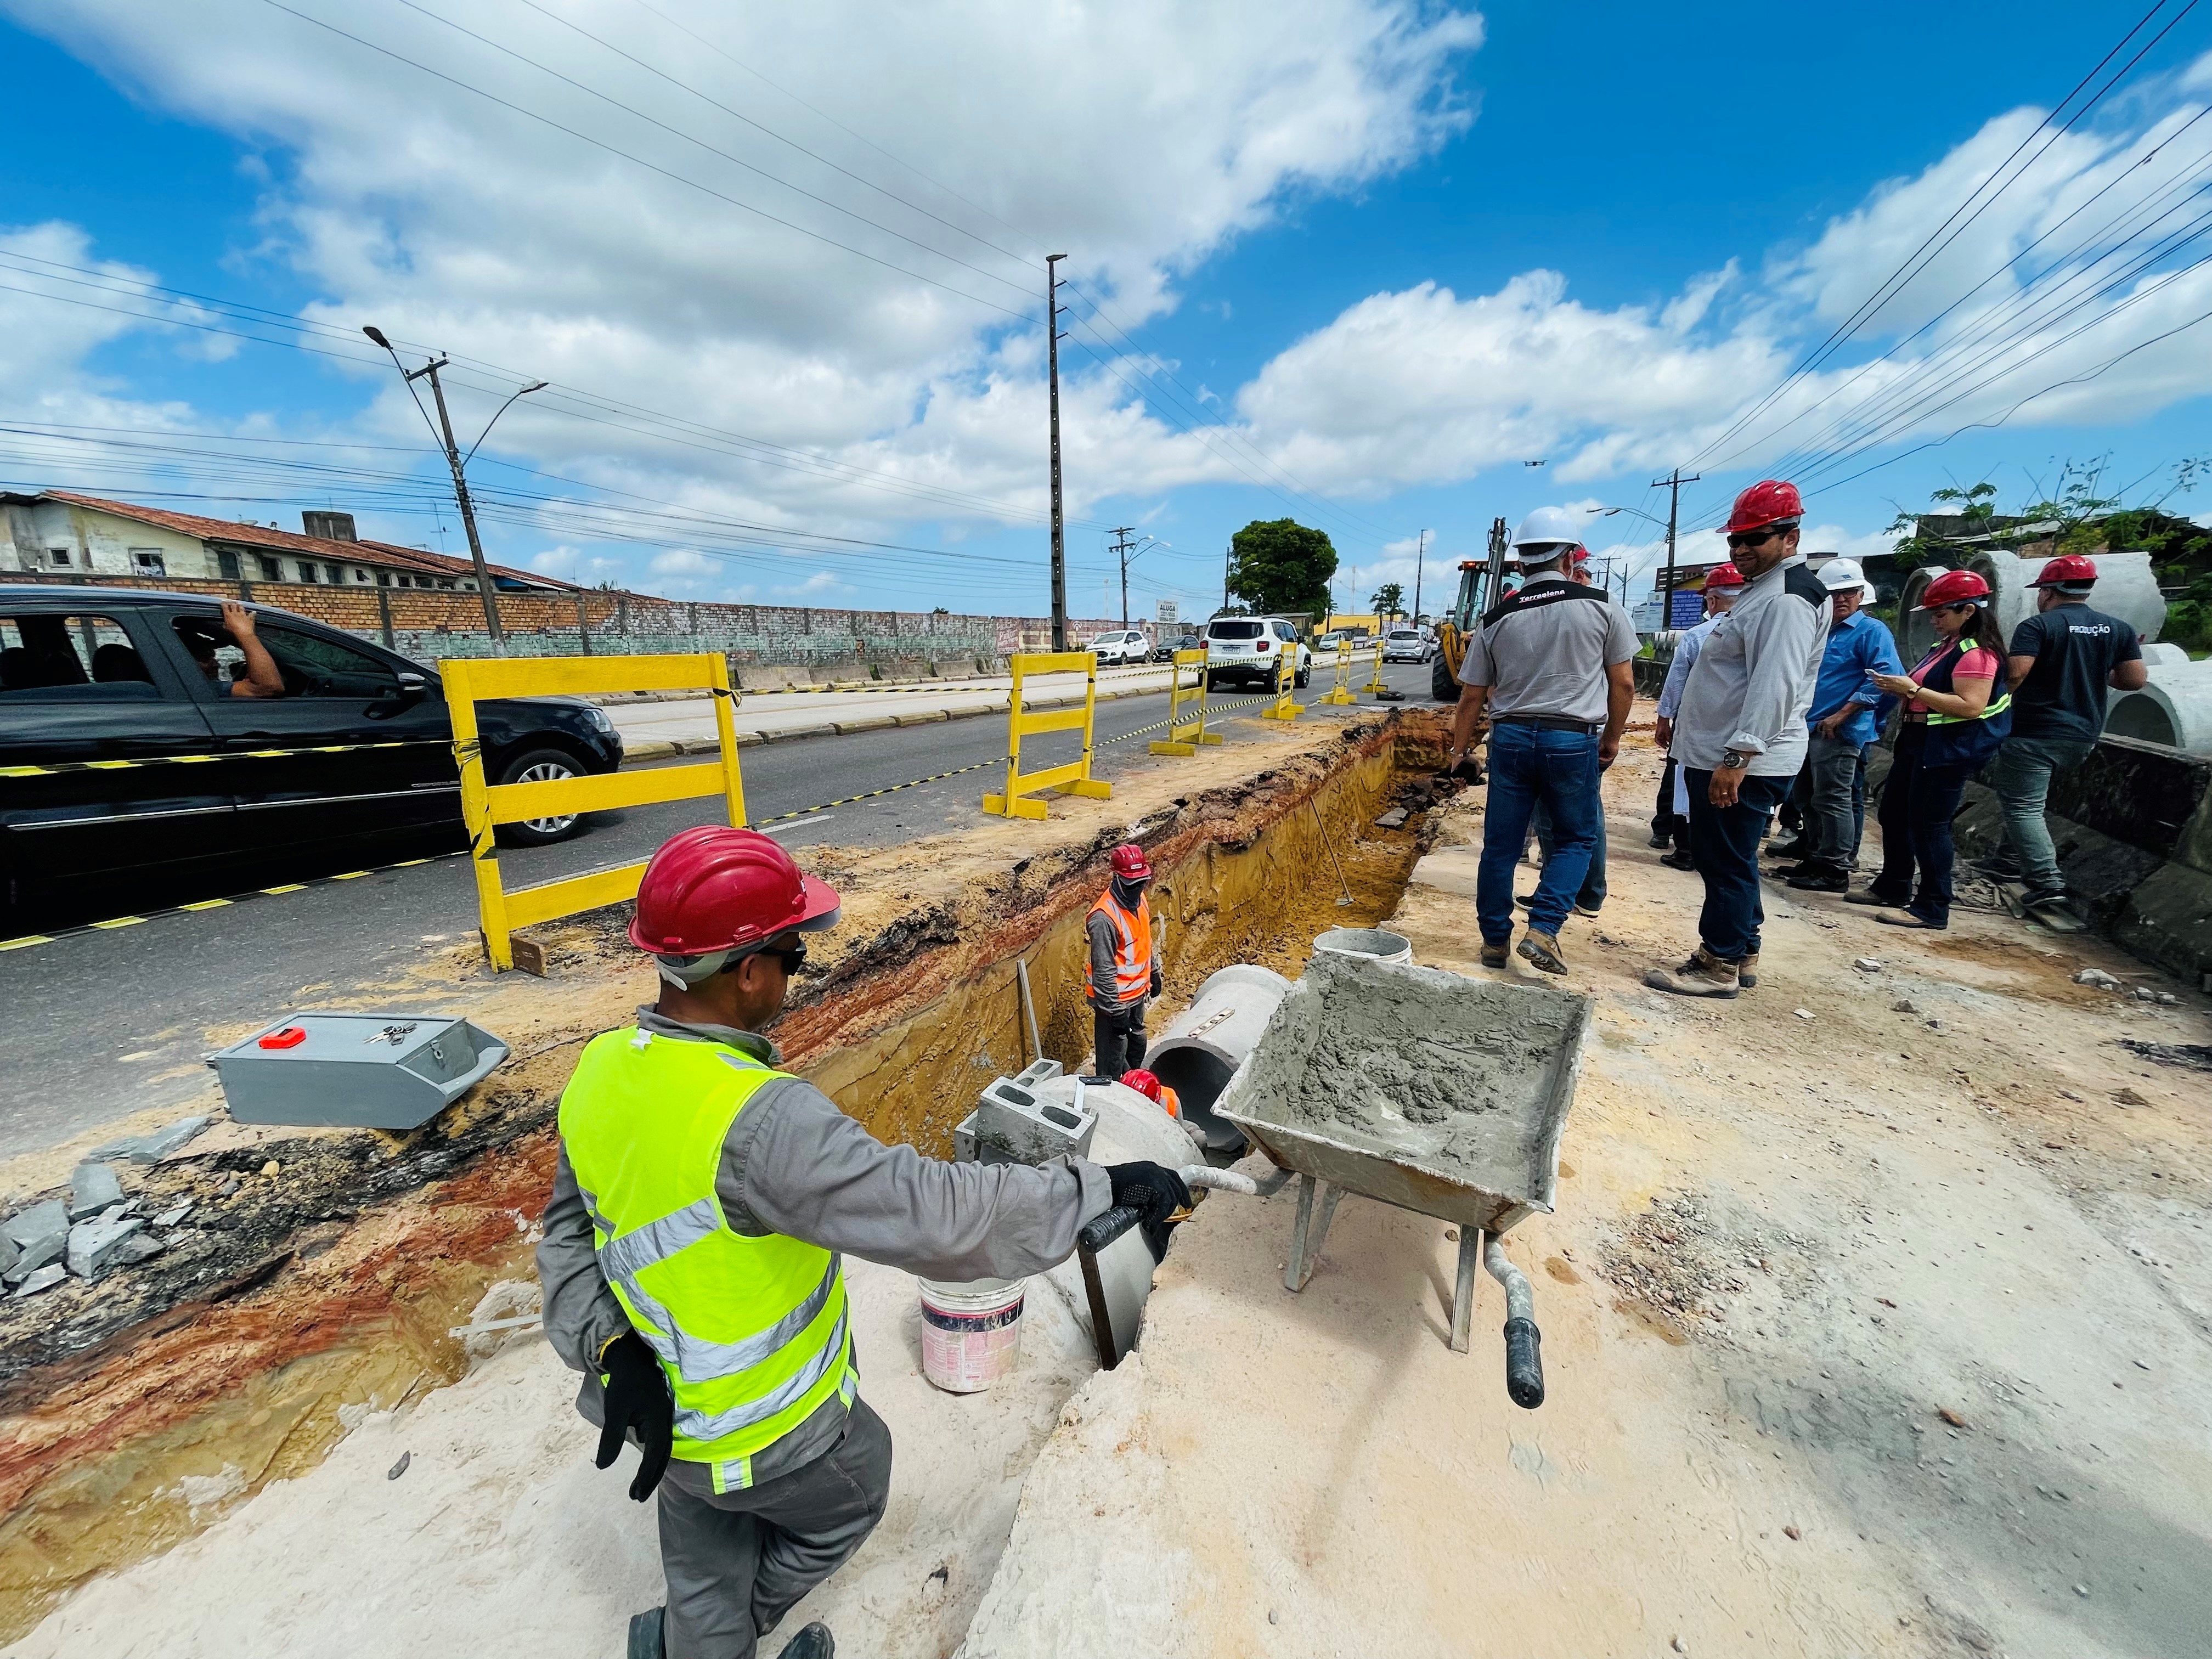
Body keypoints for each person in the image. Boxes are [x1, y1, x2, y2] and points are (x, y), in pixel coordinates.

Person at [536, 826, 1192, 1659]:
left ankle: (698, 1643)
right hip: (759, 1431)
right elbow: (937, 1215)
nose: (792, 976)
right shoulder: (761, 1120)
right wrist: (1097, 1186)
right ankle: (733, 1634)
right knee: (858, 1488)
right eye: (793, 959)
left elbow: (565, 1234)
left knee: (702, 1568)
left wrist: (609, 1351)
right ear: (747, 971)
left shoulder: (599, 1071)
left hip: (658, 1413)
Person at [1645, 480, 1830, 998]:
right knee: (1733, 857)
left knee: (1724, 861)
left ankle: (1718, 963)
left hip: (1744, 761)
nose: (1743, 549)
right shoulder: (1768, 593)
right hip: (1732, 754)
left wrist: (1737, 756)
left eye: (1757, 538)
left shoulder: (1786, 602)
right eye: (1736, 540)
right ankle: (1743, 947)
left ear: (1791, 537)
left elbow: (1776, 683)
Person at [1443, 507, 1637, 975]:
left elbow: (1472, 697)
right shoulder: (1602, 606)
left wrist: (1459, 751)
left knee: (1500, 846)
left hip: (1509, 739)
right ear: (1570, 557)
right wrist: (1611, 737)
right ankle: (1545, 929)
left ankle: (1494, 943)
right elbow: (1625, 683)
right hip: (1572, 739)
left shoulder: (1497, 617)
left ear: (1522, 562)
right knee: (1574, 839)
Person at [1983, 555, 2147, 913]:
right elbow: (2134, 681)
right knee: (2027, 802)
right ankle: (2006, 863)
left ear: (2048, 591)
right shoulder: (2117, 629)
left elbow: (2016, 675)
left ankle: (2046, 883)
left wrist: (1986, 704)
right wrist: (2093, 672)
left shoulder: (2038, 627)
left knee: (2023, 806)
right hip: (2083, 736)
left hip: (2035, 732)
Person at [1850, 570, 2012, 930]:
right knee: (1893, 813)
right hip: (1919, 743)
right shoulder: (1947, 647)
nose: (1935, 621)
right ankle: (1893, 885)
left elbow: (1970, 706)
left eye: (1941, 614)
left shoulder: (1976, 654)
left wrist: (1910, 690)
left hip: (1945, 749)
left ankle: (1933, 905)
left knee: (1929, 826)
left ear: (1968, 611)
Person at [1770, 558, 1904, 892]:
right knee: (1806, 797)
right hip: (1808, 726)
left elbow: (1887, 679)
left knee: (1833, 798)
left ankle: (1834, 867)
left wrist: (1847, 714)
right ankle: (1814, 854)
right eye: (1834, 594)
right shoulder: (1821, 630)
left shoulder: (1871, 632)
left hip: (1839, 731)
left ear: (1860, 595)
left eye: (1849, 593)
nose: (1842, 600)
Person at [1652, 565, 1745, 870]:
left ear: (1713, 600)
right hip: (1742, 731)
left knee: (1683, 784)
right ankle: (1721, 852)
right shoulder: (1758, 631)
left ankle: (1686, 849)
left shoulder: (1697, 636)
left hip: (1696, 727)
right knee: (1734, 789)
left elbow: (1676, 681)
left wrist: (1664, 719)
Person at [1087, 843, 1162, 1077]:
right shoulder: (1103, 919)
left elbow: (1144, 940)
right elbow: (1103, 971)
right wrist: (1114, 1011)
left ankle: (1132, 1085)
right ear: (1117, 877)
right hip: (1114, 1002)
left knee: (1137, 1046)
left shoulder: (1140, 900)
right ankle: (1110, 1098)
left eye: (1142, 882)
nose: (1138, 889)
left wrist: (1154, 972)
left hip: (1137, 997)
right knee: (1113, 1059)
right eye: (1133, 884)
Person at [180, 600, 284, 698]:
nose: (217, 665)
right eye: (204, 658)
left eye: (214, 657)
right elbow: (269, 687)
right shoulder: (198, 690)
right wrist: (245, 634)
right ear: (180, 661)